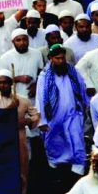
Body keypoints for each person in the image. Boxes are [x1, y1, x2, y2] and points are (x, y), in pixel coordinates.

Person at [36, 44, 89, 177]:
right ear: (50, 59)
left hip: (73, 114)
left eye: (62, 58)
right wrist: (42, 120)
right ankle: (56, 167)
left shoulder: (72, 71)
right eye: (57, 58)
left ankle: (79, 169)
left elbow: (82, 88)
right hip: (54, 115)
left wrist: (87, 104)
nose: (61, 61)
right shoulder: (44, 76)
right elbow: (40, 98)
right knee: (54, 142)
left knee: (77, 139)